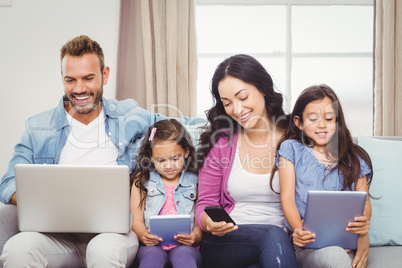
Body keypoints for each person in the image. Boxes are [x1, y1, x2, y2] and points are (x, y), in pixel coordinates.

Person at [0, 35, 203, 267]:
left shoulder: (129, 115)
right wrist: (46, 199)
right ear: (62, 78)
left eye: (88, 78)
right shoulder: (37, 127)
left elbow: (181, 125)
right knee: (17, 250)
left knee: (104, 251)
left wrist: (229, 121)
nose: (79, 89)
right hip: (55, 236)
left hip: (113, 234)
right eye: (71, 80)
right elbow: (7, 184)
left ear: (104, 75)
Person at [195, 54, 298, 268]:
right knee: (272, 235)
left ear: (262, 88)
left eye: (243, 97)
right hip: (228, 241)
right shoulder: (222, 144)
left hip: (282, 243)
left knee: (269, 247)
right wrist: (209, 222)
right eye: (227, 103)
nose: (237, 109)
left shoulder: (296, 138)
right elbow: (205, 203)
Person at [274, 84, 372, 268]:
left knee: (339, 256)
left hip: (345, 244)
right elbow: (287, 197)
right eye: (313, 119)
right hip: (306, 245)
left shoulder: (354, 157)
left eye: (329, 118)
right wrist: (298, 230)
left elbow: (364, 201)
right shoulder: (291, 149)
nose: (321, 125)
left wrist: (362, 233)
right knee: (335, 257)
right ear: (299, 122)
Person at [130, 119, 203, 268]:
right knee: (151, 259)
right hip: (151, 247)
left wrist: (195, 237)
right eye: (161, 160)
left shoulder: (196, 180)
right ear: (151, 156)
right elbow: (135, 220)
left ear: (186, 152)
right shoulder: (141, 180)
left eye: (175, 158)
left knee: (184, 258)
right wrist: (143, 235)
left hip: (186, 247)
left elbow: (199, 221)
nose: (169, 165)